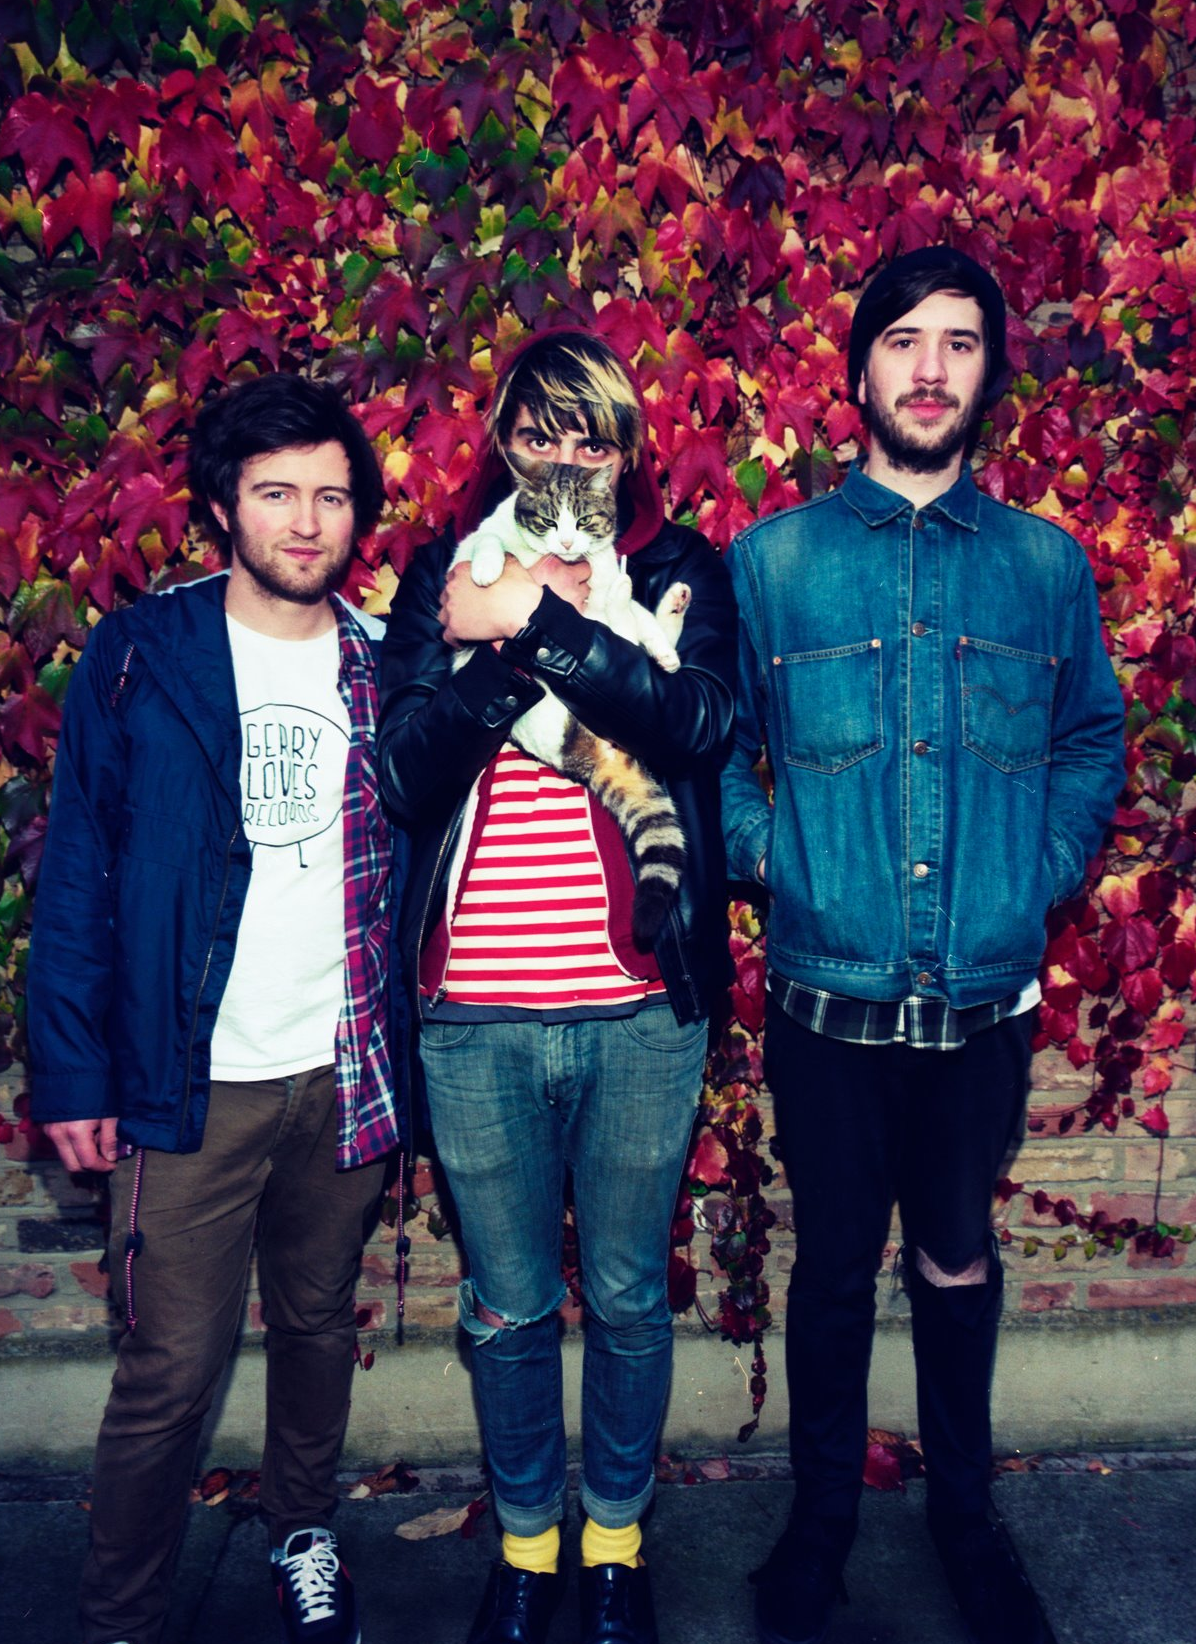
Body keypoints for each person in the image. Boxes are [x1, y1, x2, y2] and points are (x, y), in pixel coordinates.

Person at [721, 247, 1125, 1644]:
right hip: (824, 1002)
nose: (931, 367)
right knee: (833, 1268)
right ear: (860, 369)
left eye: (958, 341)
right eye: (903, 339)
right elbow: (714, 748)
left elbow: (1088, 741)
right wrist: (779, 862)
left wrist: (1035, 877)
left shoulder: (1041, 567)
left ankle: (965, 1520)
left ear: (987, 372)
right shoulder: (771, 564)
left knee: (956, 1256)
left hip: (980, 1004)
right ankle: (818, 1528)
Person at [29, 372, 404, 1644]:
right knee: (170, 1371)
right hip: (190, 1079)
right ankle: (122, 1618)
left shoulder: (381, 660)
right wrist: (72, 1071)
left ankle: (303, 1531)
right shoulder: (144, 652)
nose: (306, 521)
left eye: (331, 497)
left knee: (316, 1328)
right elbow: (79, 866)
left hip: (342, 1073)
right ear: (222, 507)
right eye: (276, 493)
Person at [376, 331, 737, 1644]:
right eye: (538, 432)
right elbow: (402, 773)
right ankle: (528, 1551)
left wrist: (541, 625)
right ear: (504, 443)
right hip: (474, 1014)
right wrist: (494, 651)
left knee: (631, 1298)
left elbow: (700, 727)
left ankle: (615, 1549)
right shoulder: (442, 573)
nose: (564, 456)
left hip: (640, 1012)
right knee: (510, 1307)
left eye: (590, 434)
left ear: (626, 448)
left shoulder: (682, 570)